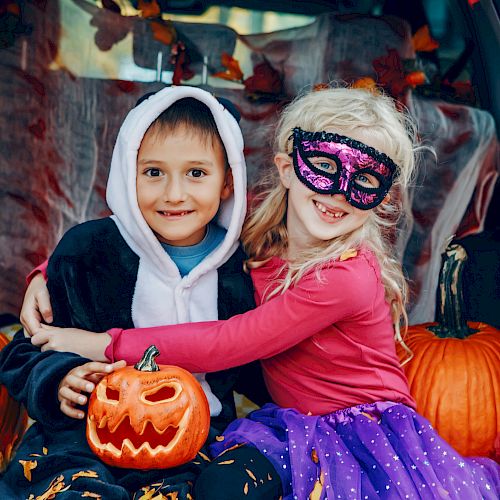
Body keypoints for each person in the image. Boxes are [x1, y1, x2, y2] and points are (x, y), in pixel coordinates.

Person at [30, 86, 500, 499]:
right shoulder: (257, 239)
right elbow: (163, 234)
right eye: (323, 167)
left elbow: (231, 340)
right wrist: (47, 271)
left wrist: (104, 344)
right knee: (219, 487)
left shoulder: (346, 276)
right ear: (288, 168)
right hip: (291, 427)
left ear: (383, 195)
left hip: (362, 435)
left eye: (364, 181)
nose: (338, 193)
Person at [0, 86, 280, 499]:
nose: (173, 194)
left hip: (194, 443)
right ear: (126, 173)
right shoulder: (88, 251)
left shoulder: (245, 268)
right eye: (153, 172)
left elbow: (264, 365)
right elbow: (23, 350)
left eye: (196, 173)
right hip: (82, 438)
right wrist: (58, 379)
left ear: (228, 182)